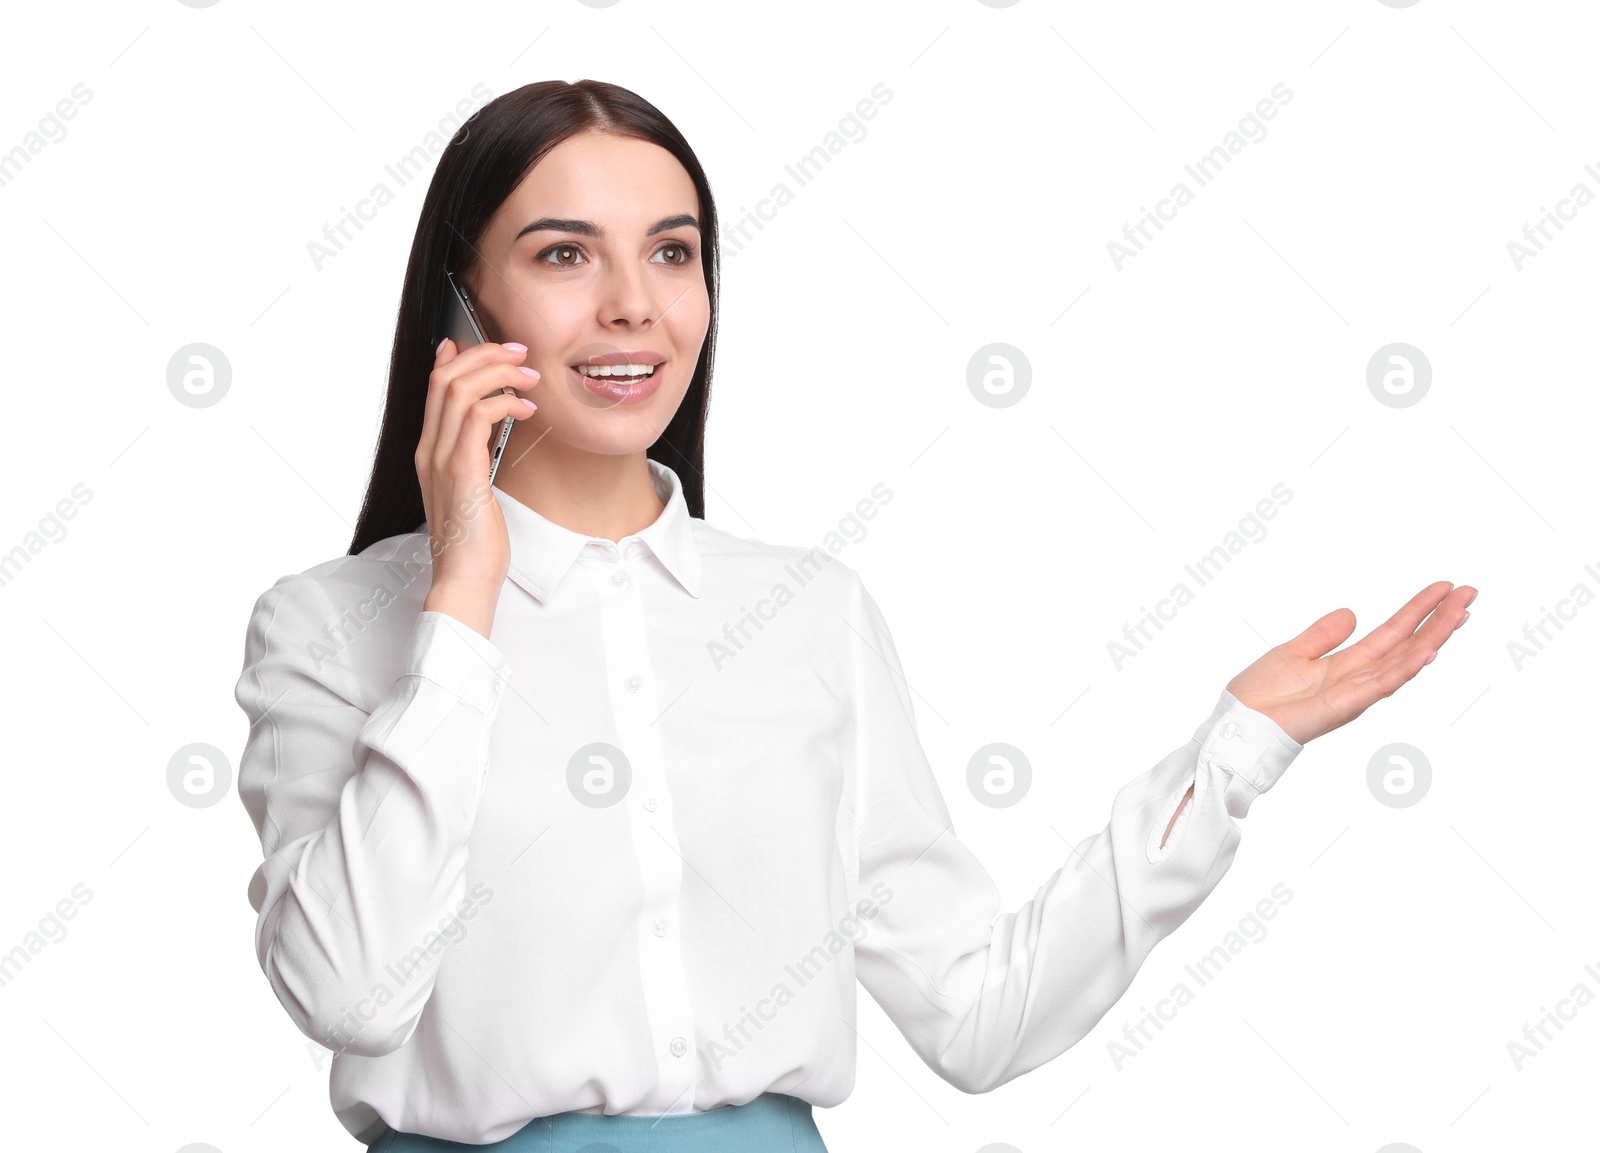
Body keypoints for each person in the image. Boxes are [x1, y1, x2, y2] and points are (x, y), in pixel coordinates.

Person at [232, 79, 1476, 1152]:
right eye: (564, 254)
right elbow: (349, 993)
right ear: (463, 302)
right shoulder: (330, 627)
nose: (632, 305)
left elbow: (980, 1014)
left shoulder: (804, 614)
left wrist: (1237, 749)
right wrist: (461, 591)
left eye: (671, 252)